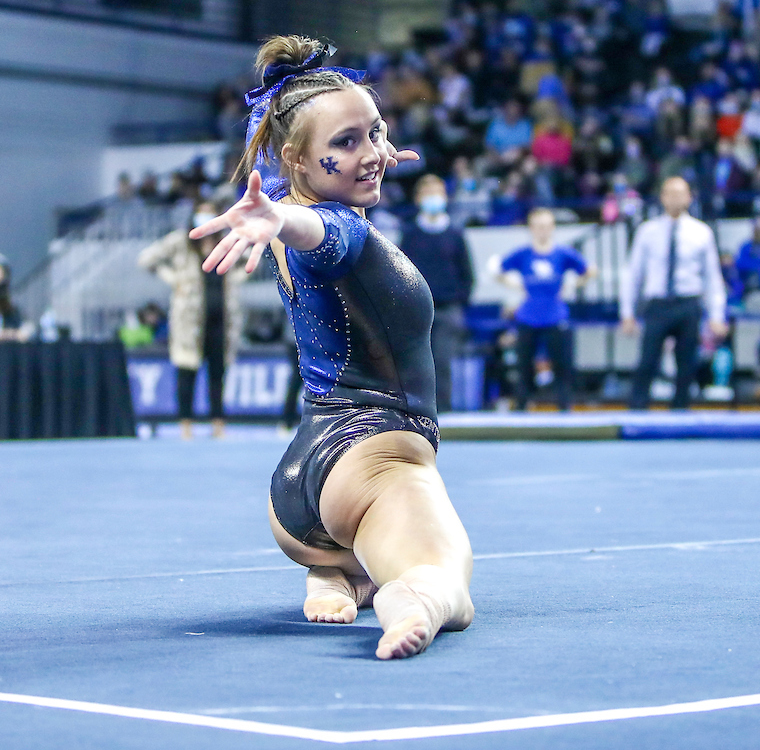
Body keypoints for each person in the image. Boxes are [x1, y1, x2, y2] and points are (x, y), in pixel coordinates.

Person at [192, 36, 474, 660]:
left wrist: (358, 155)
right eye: (345, 143)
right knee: (446, 583)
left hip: (300, 490)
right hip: (376, 465)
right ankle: (410, 598)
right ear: (296, 160)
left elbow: (294, 177)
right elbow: (322, 232)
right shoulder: (328, 225)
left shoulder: (293, 194)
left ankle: (338, 570)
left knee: (380, 540)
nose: (370, 154)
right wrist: (283, 221)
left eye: (374, 132)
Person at [137, 200, 246, 440]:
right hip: (189, 321)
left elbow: (250, 259)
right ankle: (186, 424)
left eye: (210, 214)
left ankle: (218, 423)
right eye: (201, 214)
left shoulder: (226, 242)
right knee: (187, 372)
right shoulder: (181, 242)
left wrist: (237, 279)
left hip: (220, 320)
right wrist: (173, 278)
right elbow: (146, 259)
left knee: (217, 374)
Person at [621, 177, 728, 410]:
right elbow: (634, 273)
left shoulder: (701, 232)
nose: (676, 198)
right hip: (657, 304)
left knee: (686, 364)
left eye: (681, 193)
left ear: (689, 198)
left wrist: (717, 315)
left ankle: (680, 413)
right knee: (647, 361)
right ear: (662, 197)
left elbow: (712, 276)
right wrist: (627, 313)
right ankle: (637, 412)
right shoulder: (647, 231)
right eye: (671, 193)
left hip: (688, 303)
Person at [496, 207, 590, 411]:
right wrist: (516, 286)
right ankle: (521, 408)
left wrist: (571, 285)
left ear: (553, 228)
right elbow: (498, 269)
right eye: (538, 226)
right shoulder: (523, 253)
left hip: (555, 316)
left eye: (546, 226)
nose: (542, 231)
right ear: (531, 228)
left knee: (562, 366)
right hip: (528, 316)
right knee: (524, 367)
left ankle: (564, 408)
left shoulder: (562, 253)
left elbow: (588, 270)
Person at [399, 175, 475, 412]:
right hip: (416, 312)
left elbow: (467, 274)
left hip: (447, 308)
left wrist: (458, 300)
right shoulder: (410, 235)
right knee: (415, 363)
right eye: (428, 193)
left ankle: (444, 412)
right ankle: (416, 410)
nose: (433, 198)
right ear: (418, 199)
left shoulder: (455, 234)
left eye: (438, 193)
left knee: (442, 361)